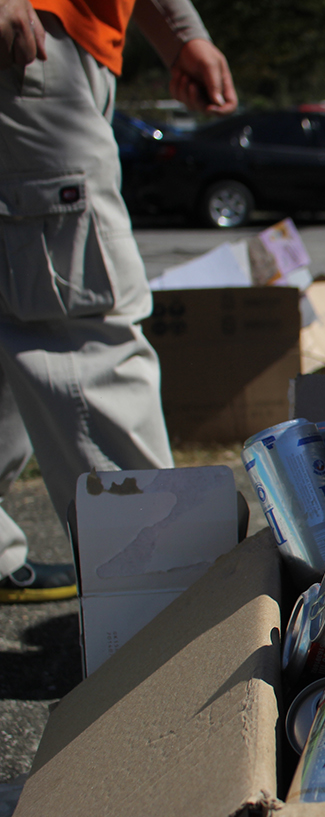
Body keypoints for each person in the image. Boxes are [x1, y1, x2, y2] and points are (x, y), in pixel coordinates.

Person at [0, 0, 237, 602]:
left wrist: (181, 35)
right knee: (81, 323)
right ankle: (163, 605)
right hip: (32, 46)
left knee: (21, 301)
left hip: (70, 48)